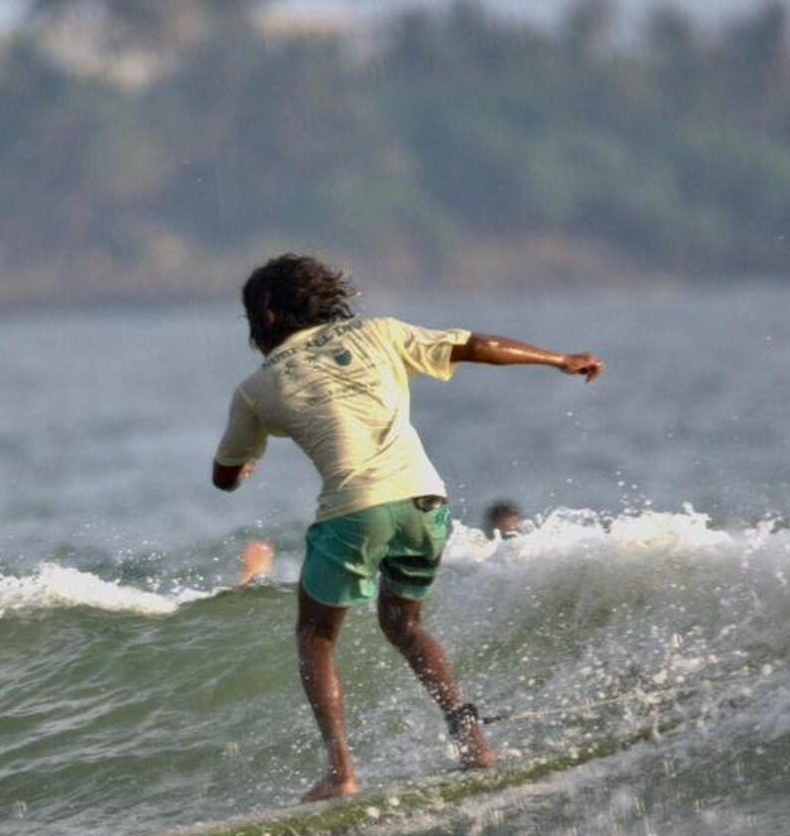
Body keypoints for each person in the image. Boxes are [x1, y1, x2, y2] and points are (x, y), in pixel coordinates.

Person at [211, 254, 602, 802]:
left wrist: (241, 469)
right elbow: (475, 345)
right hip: (426, 501)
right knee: (404, 625)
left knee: (316, 636)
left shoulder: (258, 388)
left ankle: (341, 771)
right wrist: (558, 359)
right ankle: (473, 742)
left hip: (354, 511)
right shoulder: (380, 333)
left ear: (268, 317)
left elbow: (224, 476)